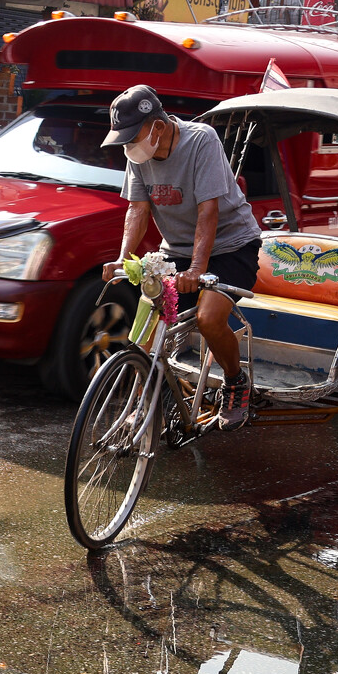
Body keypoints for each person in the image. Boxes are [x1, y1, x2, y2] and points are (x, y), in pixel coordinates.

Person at [102, 84, 261, 431]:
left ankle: (235, 382)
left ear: (157, 126)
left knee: (208, 318)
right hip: (175, 250)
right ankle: (148, 402)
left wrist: (197, 270)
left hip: (231, 247)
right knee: (145, 329)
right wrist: (120, 259)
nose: (129, 146)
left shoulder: (201, 140)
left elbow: (209, 212)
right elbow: (137, 210)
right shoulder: (137, 156)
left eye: (133, 136)